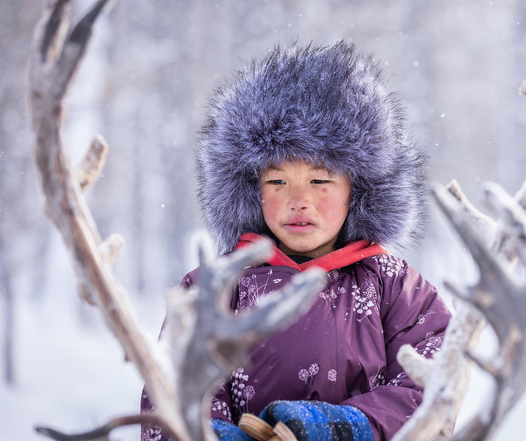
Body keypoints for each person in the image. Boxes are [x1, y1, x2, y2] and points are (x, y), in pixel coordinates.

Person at [141, 41, 451, 441]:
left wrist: (342, 429)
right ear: (251, 189)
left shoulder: (396, 288)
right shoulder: (213, 288)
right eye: (277, 181)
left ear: (358, 189)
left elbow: (433, 389)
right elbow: (170, 388)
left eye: (320, 180)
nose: (299, 200)